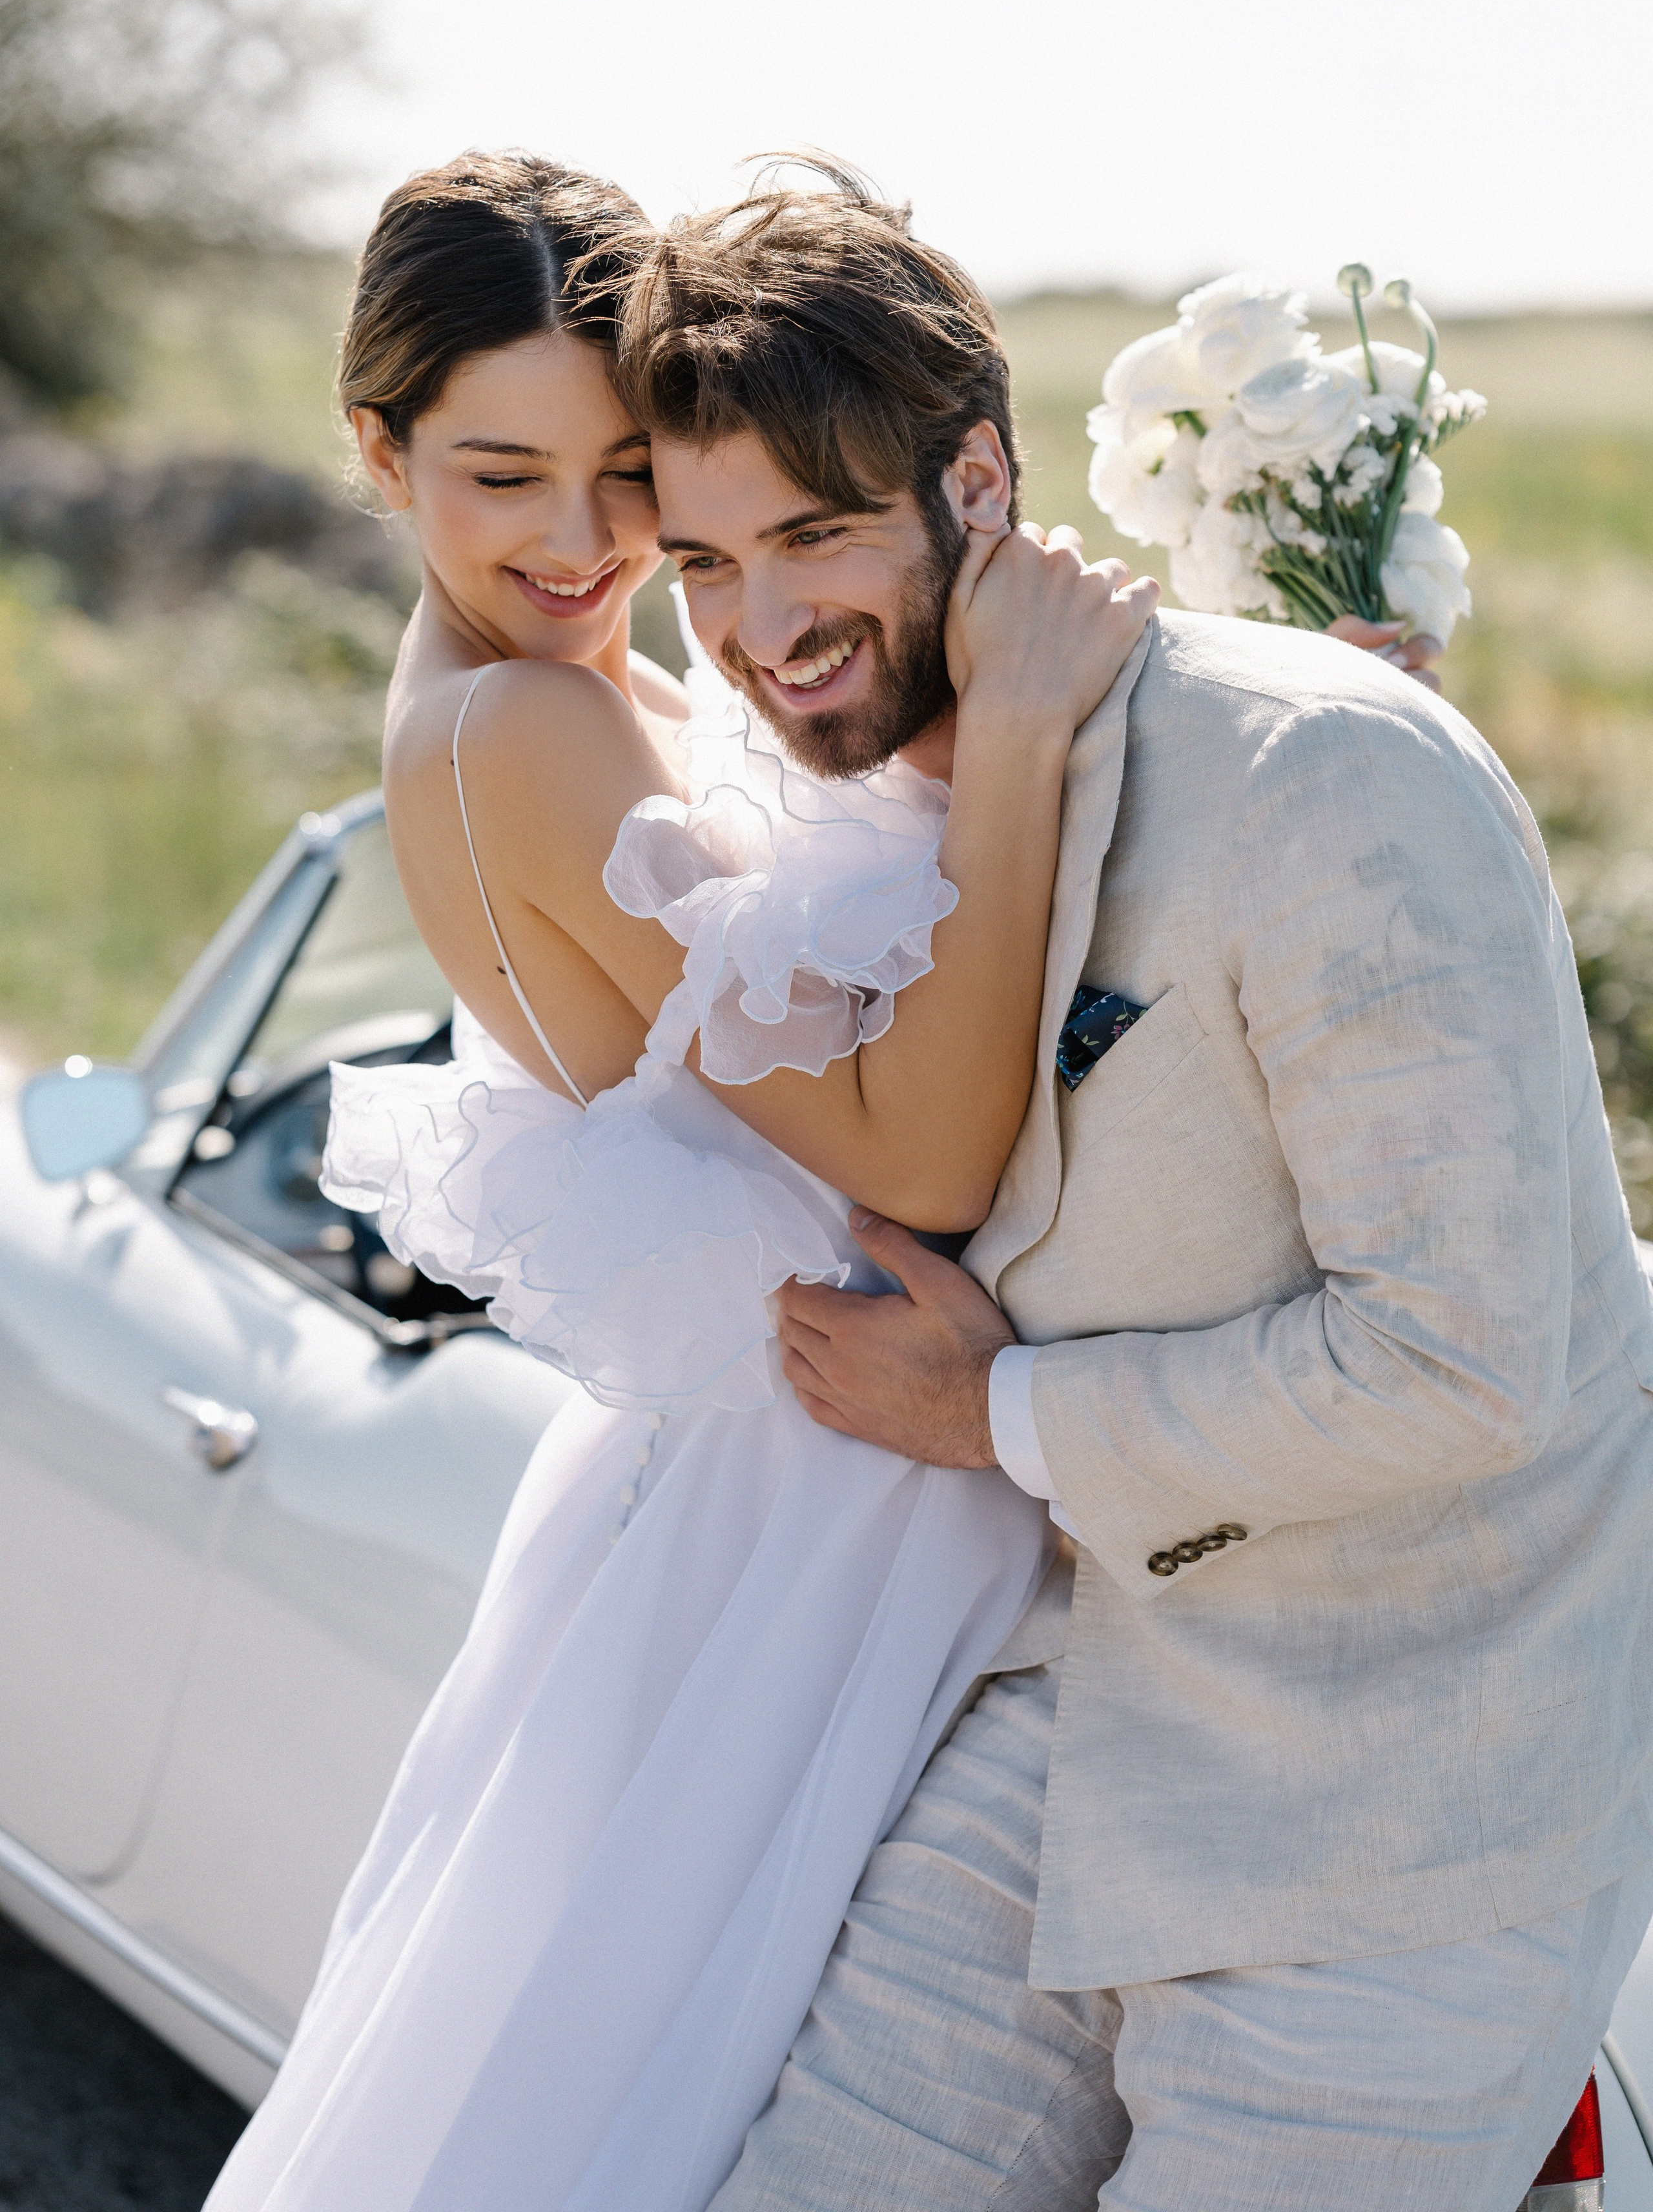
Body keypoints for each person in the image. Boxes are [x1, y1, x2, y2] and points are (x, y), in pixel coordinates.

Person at [608, 169, 1653, 2211]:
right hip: (1075, 1737)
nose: (759, 629)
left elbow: (1464, 1359)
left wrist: (981, 1412)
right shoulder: (889, 814)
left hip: (1406, 1824)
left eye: (817, 535)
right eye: (706, 563)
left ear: (978, 485)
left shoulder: (1322, 771)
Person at [200, 150, 1159, 2212]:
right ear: (378, 451)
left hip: (792, 1457)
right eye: (498, 474)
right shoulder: (532, 728)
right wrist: (1011, 747)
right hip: (807, 1480)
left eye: (625, 474)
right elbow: (915, 1143)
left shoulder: (572, 693)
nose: (580, 541)